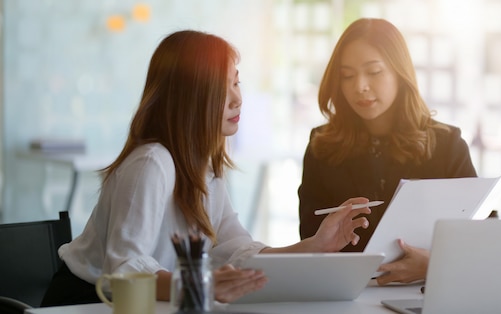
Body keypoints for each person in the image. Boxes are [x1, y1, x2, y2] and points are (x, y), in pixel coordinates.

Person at [41, 30, 372, 307]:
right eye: (222, 86)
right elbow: (126, 271)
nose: (237, 99)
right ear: (189, 95)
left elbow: (235, 249)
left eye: (237, 83)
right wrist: (202, 285)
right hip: (83, 304)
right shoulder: (151, 163)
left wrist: (313, 245)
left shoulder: (207, 167)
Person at [298, 18, 477, 285]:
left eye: (374, 72)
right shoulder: (322, 145)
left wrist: (435, 264)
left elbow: (482, 236)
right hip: (346, 294)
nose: (359, 86)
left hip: (425, 296)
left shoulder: (447, 145)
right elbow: (310, 239)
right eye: (347, 75)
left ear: (399, 73)